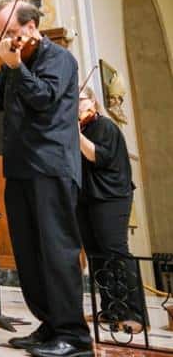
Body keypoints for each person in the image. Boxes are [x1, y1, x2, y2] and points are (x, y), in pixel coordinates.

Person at [0, 1, 92, 357]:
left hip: (52, 167)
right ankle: (49, 324)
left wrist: (16, 65)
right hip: (19, 168)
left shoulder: (60, 59)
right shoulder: (12, 63)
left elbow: (43, 100)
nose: (5, 41)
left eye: (11, 33)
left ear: (32, 26)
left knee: (56, 251)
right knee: (29, 253)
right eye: (1, 35)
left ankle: (74, 336)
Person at [76, 86, 142, 330]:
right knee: (96, 254)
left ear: (92, 101)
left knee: (116, 252)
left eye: (80, 99)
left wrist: (75, 134)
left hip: (111, 196)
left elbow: (97, 157)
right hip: (87, 197)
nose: (75, 104)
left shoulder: (104, 126)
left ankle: (135, 314)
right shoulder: (82, 128)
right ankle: (112, 309)